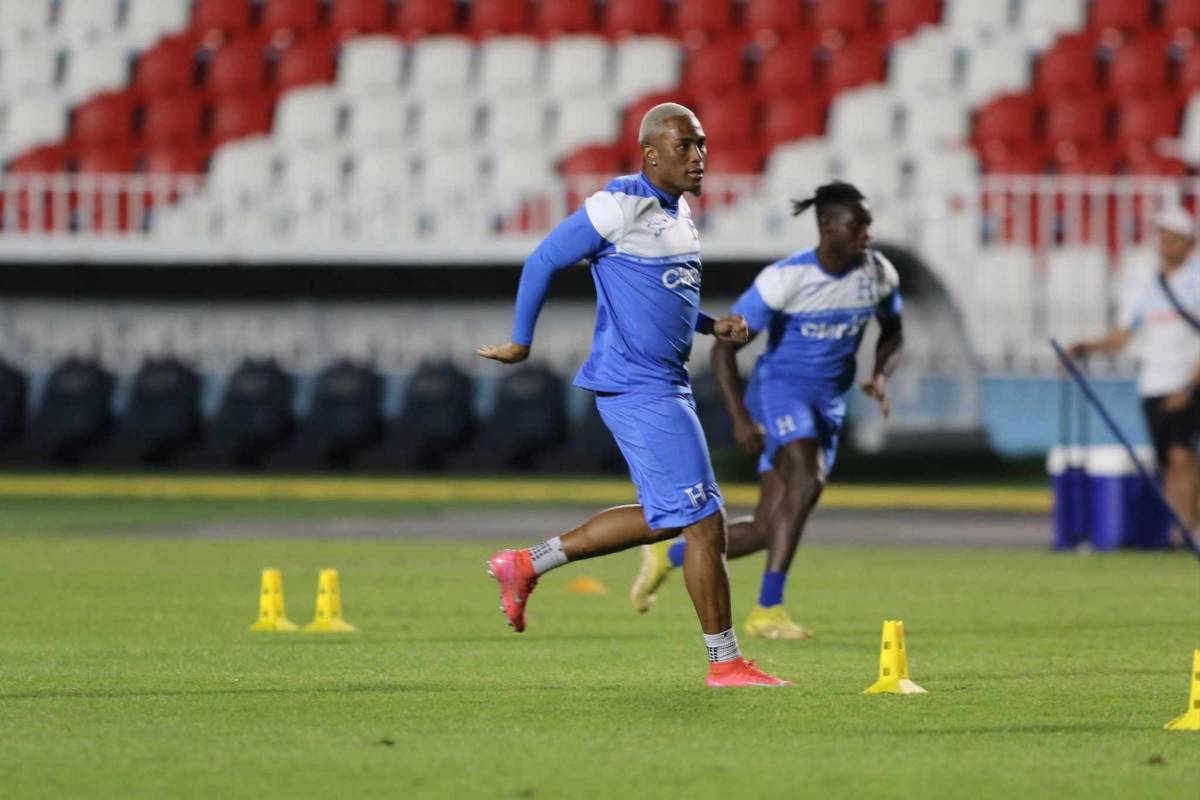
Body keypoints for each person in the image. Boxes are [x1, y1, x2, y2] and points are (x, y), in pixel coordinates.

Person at [478, 102, 792, 688]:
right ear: (650, 155)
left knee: (668, 516)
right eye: (684, 146)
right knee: (704, 522)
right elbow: (543, 259)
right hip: (636, 385)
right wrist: (521, 341)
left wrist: (711, 326)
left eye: (701, 144)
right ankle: (725, 664)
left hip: (664, 382)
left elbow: (663, 294)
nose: (698, 157)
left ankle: (524, 563)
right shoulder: (619, 205)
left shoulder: (680, 211)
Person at [630, 181, 904, 640]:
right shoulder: (786, 279)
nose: (866, 234)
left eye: (868, 225)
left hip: (829, 404)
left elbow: (894, 331)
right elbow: (723, 349)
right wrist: (740, 417)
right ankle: (768, 610)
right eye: (857, 225)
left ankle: (670, 555)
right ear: (827, 226)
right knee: (807, 479)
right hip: (781, 391)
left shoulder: (878, 274)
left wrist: (880, 374)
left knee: (767, 525)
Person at [1067, 205, 1200, 546]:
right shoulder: (1144, 286)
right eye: (1162, 235)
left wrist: (1190, 386)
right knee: (1168, 463)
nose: (1165, 242)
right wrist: (1086, 346)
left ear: (1189, 242)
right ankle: (1179, 531)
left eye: (1173, 237)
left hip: (1189, 381)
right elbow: (1121, 338)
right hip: (1153, 384)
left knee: (1183, 456)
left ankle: (1190, 530)